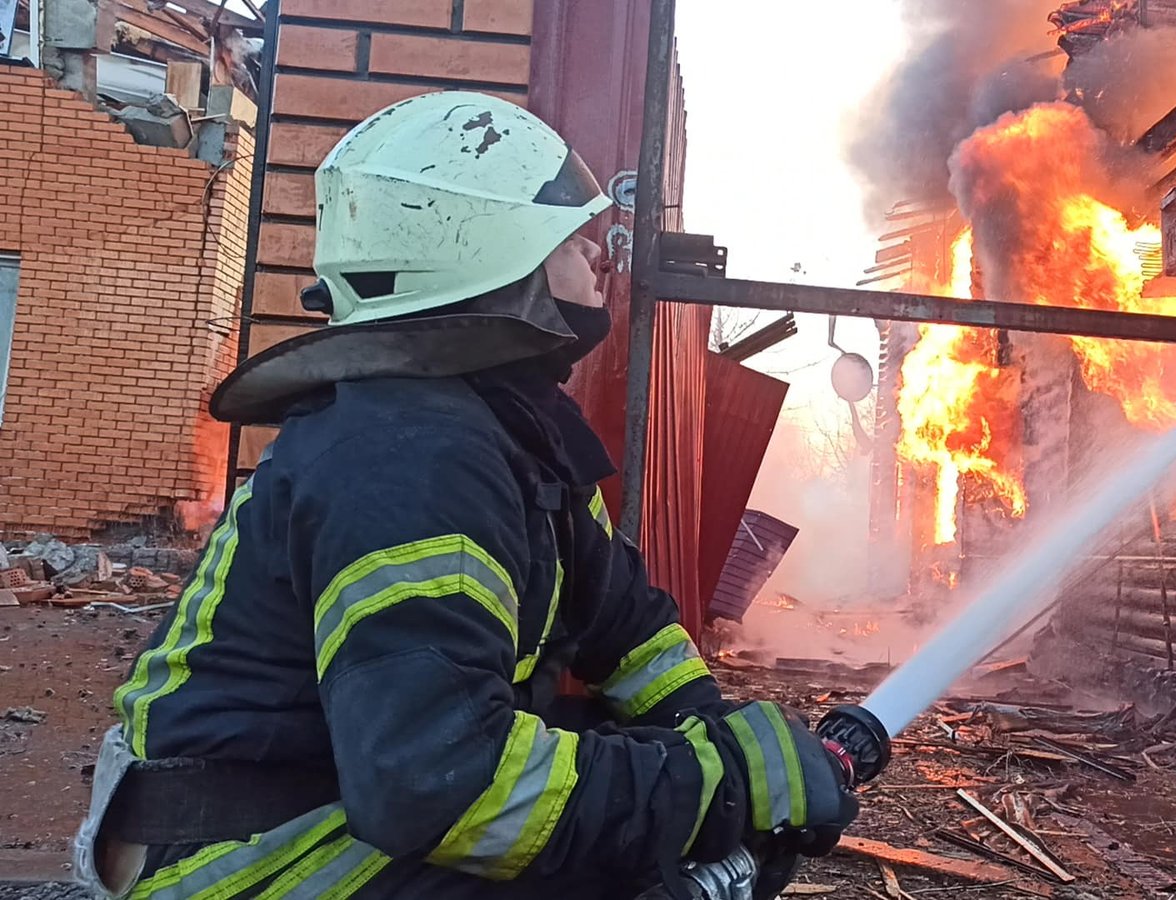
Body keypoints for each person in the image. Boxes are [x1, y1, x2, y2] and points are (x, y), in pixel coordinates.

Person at [72, 91, 857, 900]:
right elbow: (440, 784)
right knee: (632, 853)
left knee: (653, 813)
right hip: (241, 858)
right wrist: (718, 786)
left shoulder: (513, 434)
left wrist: (716, 735)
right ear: (488, 252)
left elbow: (626, 626)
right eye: (570, 234)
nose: (599, 254)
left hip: (343, 791)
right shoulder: (409, 461)